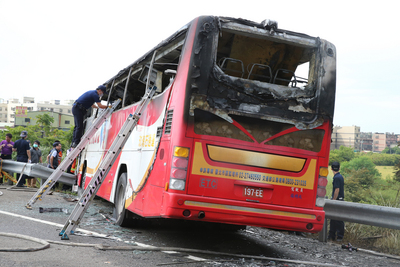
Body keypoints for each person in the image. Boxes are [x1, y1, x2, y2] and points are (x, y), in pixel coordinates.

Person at [328, 161, 345, 242]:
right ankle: (332, 235)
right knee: (334, 219)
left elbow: (337, 189)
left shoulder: (336, 178)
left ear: (331, 168)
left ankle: (339, 236)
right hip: (340, 199)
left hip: (337, 200)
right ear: (339, 168)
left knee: (337, 219)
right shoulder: (340, 176)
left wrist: (334, 200)